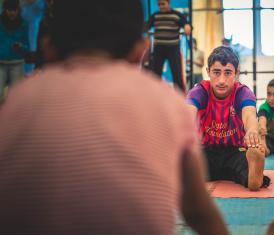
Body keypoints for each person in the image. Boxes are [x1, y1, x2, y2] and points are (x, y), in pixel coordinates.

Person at [0, 0, 230, 234]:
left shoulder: (18, 102)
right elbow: (198, 210)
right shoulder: (166, 102)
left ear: (48, 48)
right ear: (141, 50)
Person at [187, 46, 270, 191]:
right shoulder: (199, 91)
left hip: (235, 152)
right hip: (205, 152)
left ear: (237, 73)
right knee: (190, 162)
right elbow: (188, 112)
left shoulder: (242, 92)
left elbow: (249, 115)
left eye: (228, 73)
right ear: (208, 72)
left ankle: (254, 177)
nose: (221, 80)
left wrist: (251, 131)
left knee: (244, 163)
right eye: (216, 73)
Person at [146, 0, 191, 92]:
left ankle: (181, 97)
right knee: (155, 73)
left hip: (173, 48)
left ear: (168, 3)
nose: (161, 6)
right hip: (159, 48)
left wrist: (187, 26)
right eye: (159, 4)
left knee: (177, 74)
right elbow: (146, 26)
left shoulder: (176, 15)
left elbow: (186, 24)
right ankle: (153, 94)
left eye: (163, 4)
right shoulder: (155, 16)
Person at [0, 0, 29, 100]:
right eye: (9, 10)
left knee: (15, 97)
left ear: (18, 10)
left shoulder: (24, 24)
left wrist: (21, 47)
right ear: (5, 10)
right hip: (0, 63)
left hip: (17, 63)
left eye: (14, 10)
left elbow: (27, 46)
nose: (12, 12)